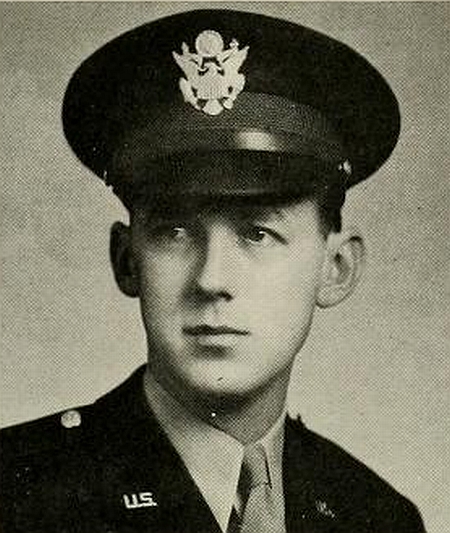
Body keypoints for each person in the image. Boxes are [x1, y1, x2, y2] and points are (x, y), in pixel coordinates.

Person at [0, 9, 426, 533]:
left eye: (258, 233)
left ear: (336, 269)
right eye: (175, 232)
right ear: (127, 260)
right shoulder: (18, 495)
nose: (212, 280)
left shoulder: (377, 517)